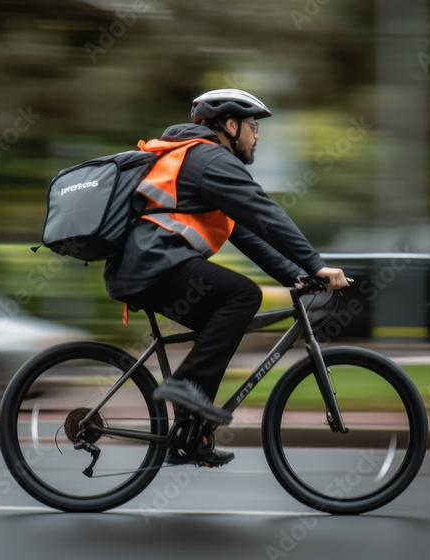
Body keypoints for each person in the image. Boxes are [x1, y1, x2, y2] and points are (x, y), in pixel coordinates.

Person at [104, 89, 349, 466]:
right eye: (252, 126)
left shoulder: (199, 161)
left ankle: (189, 437)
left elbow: (247, 233)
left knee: (220, 326)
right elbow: (263, 212)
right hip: (153, 265)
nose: (256, 135)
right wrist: (316, 264)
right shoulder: (210, 158)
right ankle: (184, 387)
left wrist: (296, 275)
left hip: (148, 267)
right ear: (230, 125)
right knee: (243, 296)